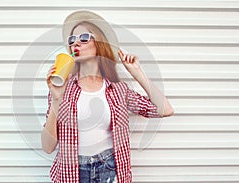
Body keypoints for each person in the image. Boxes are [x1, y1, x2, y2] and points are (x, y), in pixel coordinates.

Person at [41, 10, 174, 183]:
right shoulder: (61, 89)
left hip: (110, 170)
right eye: (72, 40)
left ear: (99, 43)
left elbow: (165, 110)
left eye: (83, 37)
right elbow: (48, 147)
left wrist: (137, 72)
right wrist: (56, 99)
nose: (76, 44)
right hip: (72, 173)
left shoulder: (118, 90)